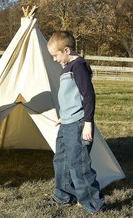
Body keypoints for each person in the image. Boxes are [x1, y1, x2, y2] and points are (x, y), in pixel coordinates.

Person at [47, 31, 106, 214]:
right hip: (67, 123)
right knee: (61, 161)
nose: (55, 60)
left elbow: (88, 95)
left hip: (78, 124)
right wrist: (63, 117)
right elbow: (71, 98)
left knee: (78, 164)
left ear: (66, 49)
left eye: (56, 55)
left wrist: (88, 123)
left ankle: (94, 205)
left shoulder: (78, 66)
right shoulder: (68, 67)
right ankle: (64, 196)